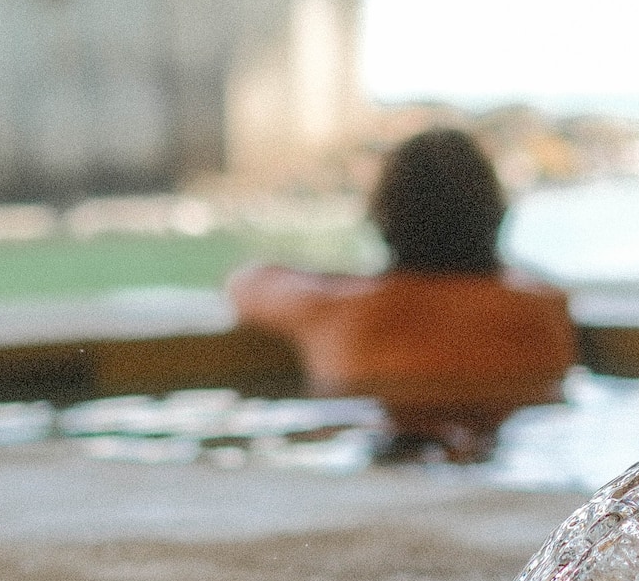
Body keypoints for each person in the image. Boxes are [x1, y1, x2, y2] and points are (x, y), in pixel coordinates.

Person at [228, 128, 576, 460]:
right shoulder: (543, 307)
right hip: (511, 455)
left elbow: (246, 281)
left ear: (381, 215)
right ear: (497, 213)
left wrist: (349, 280)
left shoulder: (334, 309)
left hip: (375, 457)